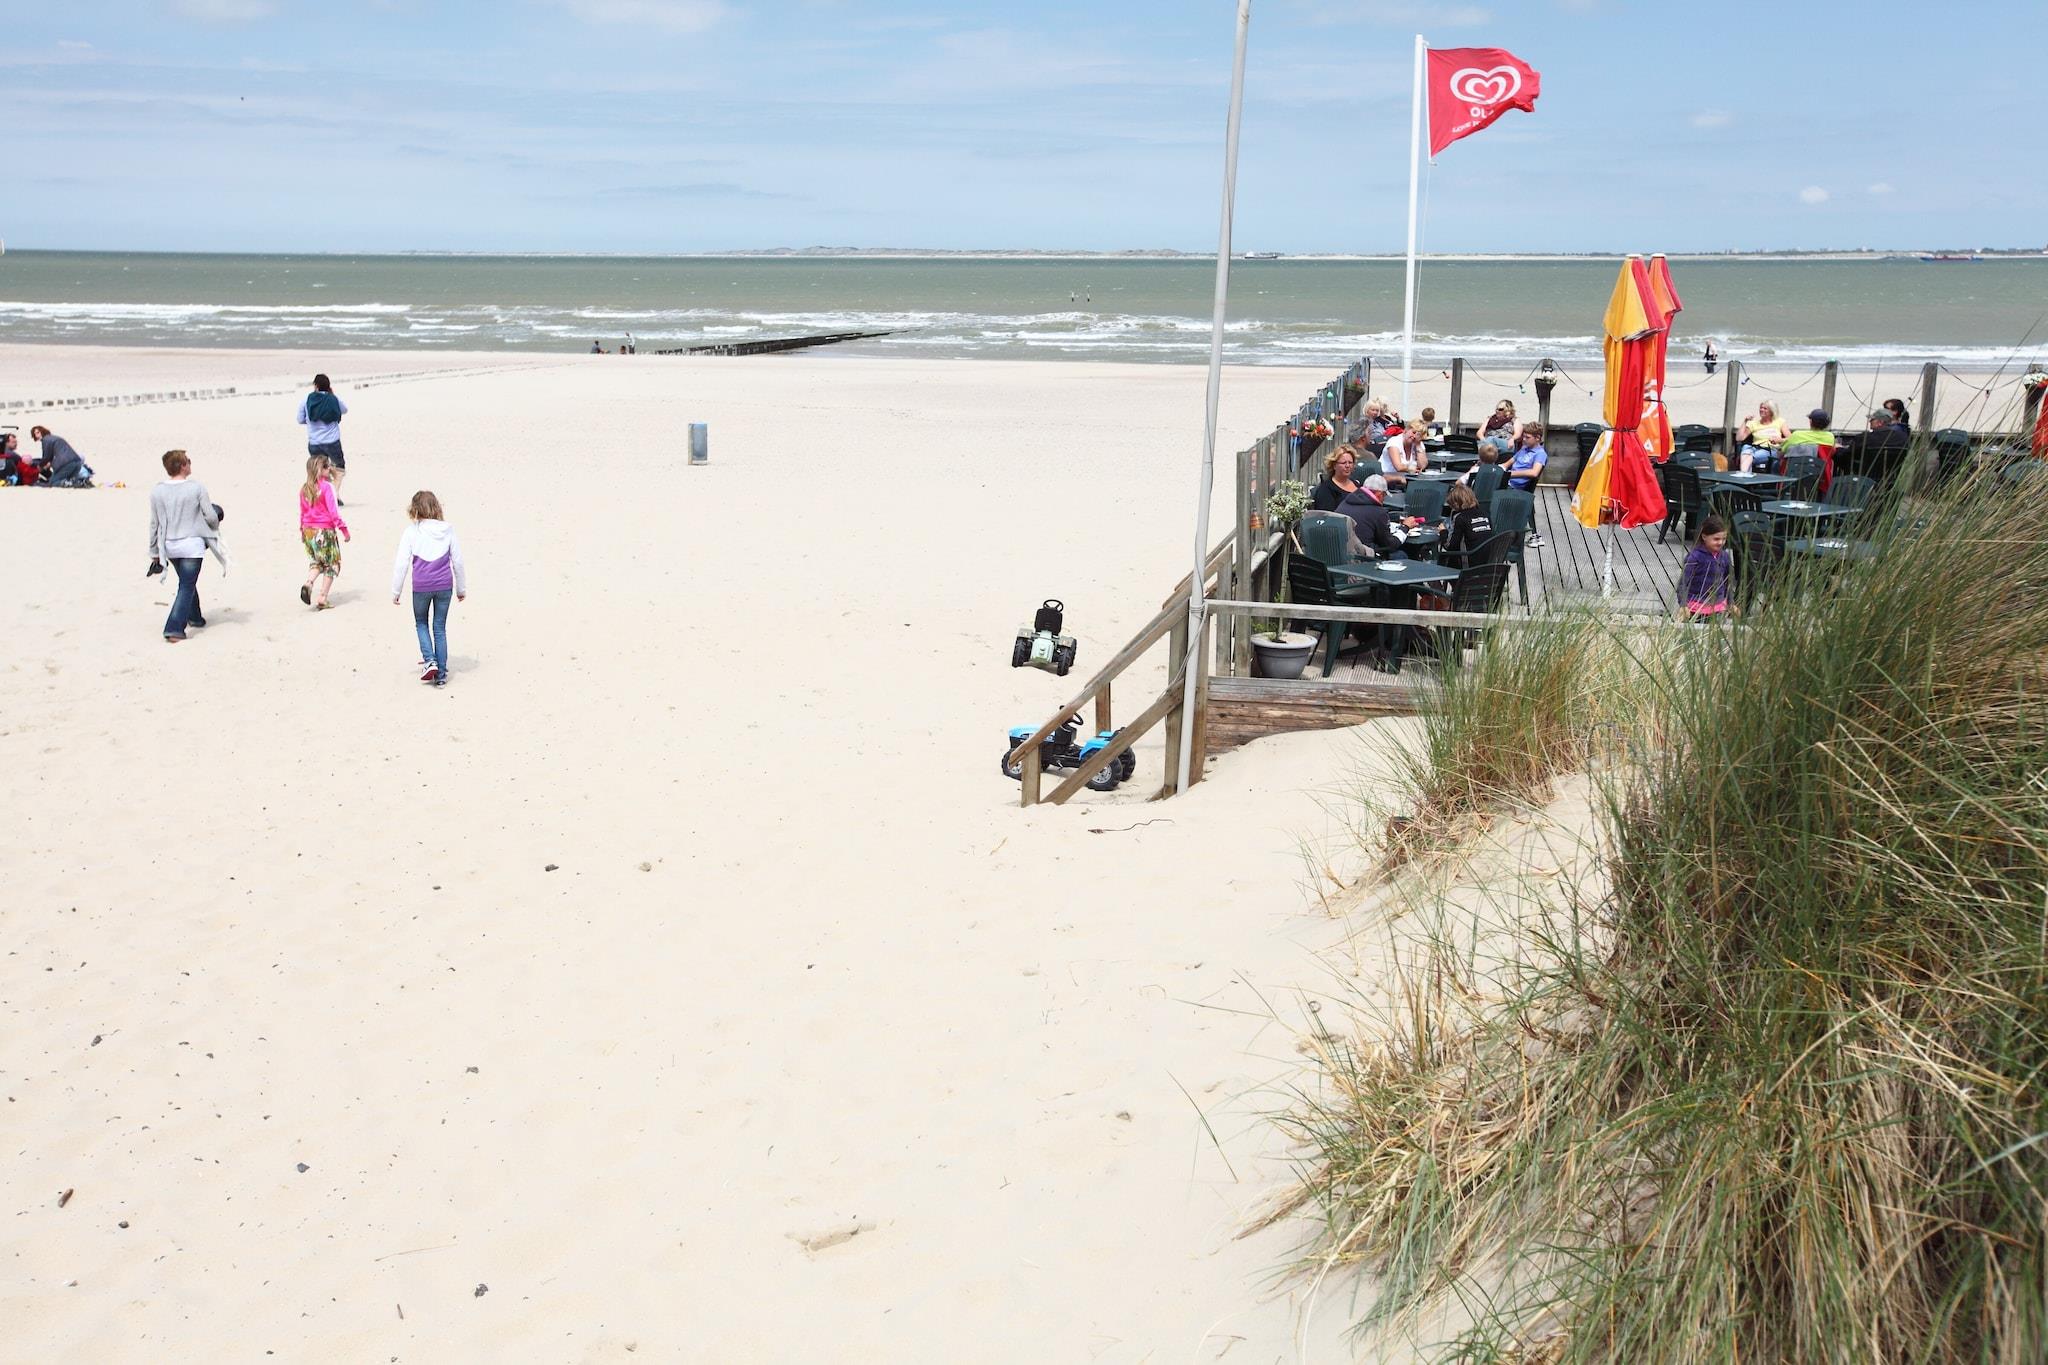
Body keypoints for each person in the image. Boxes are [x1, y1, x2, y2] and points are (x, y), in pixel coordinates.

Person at [391, 490, 467, 686]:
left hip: (421, 586)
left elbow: (401, 563)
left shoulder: (411, 531)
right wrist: (461, 589)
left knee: (421, 623)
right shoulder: (448, 530)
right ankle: (441, 674)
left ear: (415, 510)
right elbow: (458, 561)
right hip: (444, 585)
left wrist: (396, 591)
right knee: (439, 627)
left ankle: (430, 660)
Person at [147, 449, 220, 643]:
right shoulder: (196, 488)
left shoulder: (158, 491)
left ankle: (194, 617)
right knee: (186, 585)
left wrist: (154, 551)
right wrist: (216, 520)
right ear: (182, 466)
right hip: (191, 545)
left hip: (169, 546)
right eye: (188, 460)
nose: (190, 463)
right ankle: (174, 628)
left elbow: (154, 523)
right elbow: (211, 517)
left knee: (187, 581)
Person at [298, 454, 349, 610]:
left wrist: (302, 530)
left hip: (308, 531)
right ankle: (322, 597)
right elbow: (334, 512)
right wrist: (344, 529)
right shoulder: (327, 487)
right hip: (324, 530)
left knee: (317, 562)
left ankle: (309, 583)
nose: (329, 468)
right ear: (321, 470)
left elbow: (302, 512)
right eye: (326, 466)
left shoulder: (304, 489)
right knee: (332, 564)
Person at [296, 374, 349, 501]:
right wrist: (332, 397)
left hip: (314, 442)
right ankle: (334, 492)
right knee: (339, 467)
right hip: (332, 441)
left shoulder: (306, 400)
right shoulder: (333, 399)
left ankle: (322, 493)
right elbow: (345, 410)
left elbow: (300, 419)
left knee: (319, 468)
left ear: (315, 386)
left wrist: (310, 422)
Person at [1677, 515, 1735, 620]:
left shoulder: (1725, 556)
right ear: (1704, 537)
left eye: (1724, 539)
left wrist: (1731, 602)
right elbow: (1683, 583)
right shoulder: (1695, 557)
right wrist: (1683, 604)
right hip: (1695, 606)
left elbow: (1728, 581)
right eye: (1716, 539)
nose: (1720, 542)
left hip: (1718, 606)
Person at [1335, 474, 1401, 560]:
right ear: (1379, 494)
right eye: (1384, 496)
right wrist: (1405, 529)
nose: (1384, 500)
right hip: (1363, 558)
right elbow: (1389, 545)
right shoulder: (1378, 512)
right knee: (1400, 555)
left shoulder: (1344, 502)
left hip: (1339, 553)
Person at [1505, 422, 1548, 548]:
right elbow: (1508, 463)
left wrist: (1510, 474)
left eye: (1527, 437)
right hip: (1508, 482)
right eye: (1523, 436)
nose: (1523, 439)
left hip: (1517, 488)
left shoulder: (1540, 454)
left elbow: (1534, 473)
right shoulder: (1524, 449)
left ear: (1537, 438)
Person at [1439, 482, 1498, 569]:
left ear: (1456, 503)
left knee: (1437, 560)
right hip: (1487, 564)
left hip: (1468, 566)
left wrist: (1443, 532)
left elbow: (1450, 546)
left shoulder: (1460, 518)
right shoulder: (1485, 514)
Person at [1780, 409, 1837, 494]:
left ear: (1810, 421)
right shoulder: (1830, 437)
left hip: (1794, 475)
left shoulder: (1797, 435)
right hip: (1819, 478)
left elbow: (1784, 450)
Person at [28, 426, 94, 486]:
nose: (37, 435)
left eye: (38, 432)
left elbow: (46, 457)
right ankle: (82, 482)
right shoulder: (55, 437)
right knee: (70, 480)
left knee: (53, 483)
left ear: (43, 431)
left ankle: (78, 483)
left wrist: (40, 466)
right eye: (35, 434)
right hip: (77, 461)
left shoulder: (46, 440)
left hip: (66, 463)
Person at [1736, 400, 1790, 472]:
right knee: (1746, 449)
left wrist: (1780, 440)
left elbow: (1790, 439)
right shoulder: (1753, 423)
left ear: (1771, 411)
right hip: (1754, 448)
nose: (1761, 410)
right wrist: (1745, 421)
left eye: (1765, 408)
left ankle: (1743, 474)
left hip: (1770, 449)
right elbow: (1739, 438)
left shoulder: (1780, 422)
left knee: (1749, 457)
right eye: (1761, 408)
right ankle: (1745, 474)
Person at [1311, 444, 1364, 512]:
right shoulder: (1326, 489)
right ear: (1334, 465)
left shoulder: (1357, 485)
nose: (1347, 466)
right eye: (1343, 463)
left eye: (1350, 462)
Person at [1380, 419, 1429, 487]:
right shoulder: (1394, 442)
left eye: (1418, 435)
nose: (1414, 436)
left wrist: (1418, 446)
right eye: (1413, 432)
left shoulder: (1418, 443)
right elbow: (1399, 467)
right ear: (1406, 429)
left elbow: (1422, 466)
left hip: (1408, 480)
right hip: (1389, 480)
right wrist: (1412, 468)